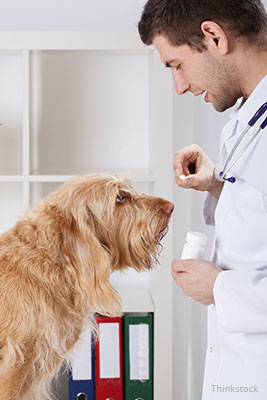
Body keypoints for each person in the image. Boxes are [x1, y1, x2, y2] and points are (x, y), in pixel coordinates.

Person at [138, 0, 267, 399]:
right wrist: (219, 185)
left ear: (214, 36)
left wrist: (221, 289)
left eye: (176, 64)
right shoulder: (249, 121)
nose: (179, 85)